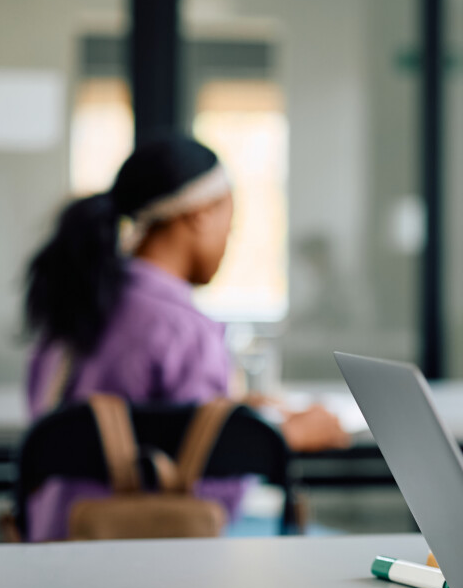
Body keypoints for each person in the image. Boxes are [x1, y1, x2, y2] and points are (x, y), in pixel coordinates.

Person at [22, 135, 346, 539]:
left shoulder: (75, 306)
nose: (230, 240)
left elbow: (68, 429)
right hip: (143, 554)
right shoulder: (184, 329)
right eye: (231, 222)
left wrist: (235, 414)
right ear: (199, 216)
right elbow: (211, 498)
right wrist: (280, 439)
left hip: (52, 541)